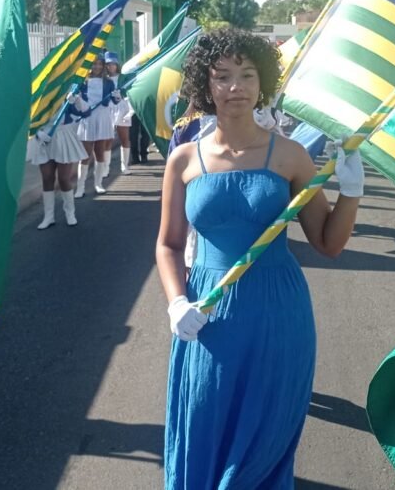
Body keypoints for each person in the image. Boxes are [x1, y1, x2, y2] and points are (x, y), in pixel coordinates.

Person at [155, 28, 365, 488]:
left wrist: (350, 192)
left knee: (266, 437)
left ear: (263, 81)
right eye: (223, 76)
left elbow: (328, 243)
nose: (236, 87)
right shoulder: (184, 159)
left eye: (248, 75)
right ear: (205, 85)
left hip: (278, 310)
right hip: (207, 311)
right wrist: (176, 303)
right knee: (204, 422)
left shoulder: (290, 155)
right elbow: (168, 244)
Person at [28, 91, 89, 229]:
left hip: (63, 135)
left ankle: (70, 213)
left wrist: (77, 100)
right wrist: (37, 132)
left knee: (63, 178)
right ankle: (49, 217)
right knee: (47, 177)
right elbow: (29, 116)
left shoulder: (67, 91)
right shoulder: (39, 92)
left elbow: (86, 113)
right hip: (43, 136)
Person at [76, 57, 122, 196]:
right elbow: (77, 101)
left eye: (100, 64)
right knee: (85, 154)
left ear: (103, 66)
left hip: (103, 117)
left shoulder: (108, 82)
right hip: (88, 118)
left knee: (100, 152)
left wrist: (117, 96)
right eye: (94, 64)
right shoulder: (82, 82)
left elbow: (115, 101)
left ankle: (98, 184)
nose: (97, 67)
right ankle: (80, 187)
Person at [105, 51, 133, 174]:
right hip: (108, 110)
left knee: (124, 137)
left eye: (113, 64)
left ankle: (124, 166)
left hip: (123, 108)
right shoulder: (104, 79)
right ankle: (105, 168)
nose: (111, 66)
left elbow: (130, 91)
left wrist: (122, 94)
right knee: (107, 139)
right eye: (108, 64)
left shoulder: (124, 77)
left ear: (117, 64)